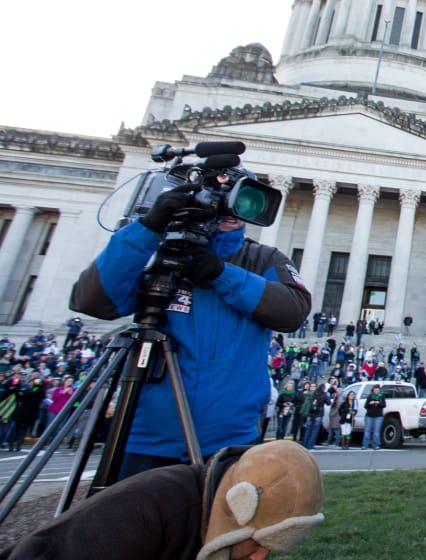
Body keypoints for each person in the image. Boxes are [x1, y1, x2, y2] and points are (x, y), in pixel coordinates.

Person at [69, 178, 309, 479]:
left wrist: (223, 274)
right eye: (221, 198)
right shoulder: (156, 250)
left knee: (222, 524)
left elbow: (293, 312)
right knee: (134, 523)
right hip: (147, 438)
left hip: (229, 439)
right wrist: (148, 228)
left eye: (242, 200)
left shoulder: (261, 259)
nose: (231, 208)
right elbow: (93, 301)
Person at [0, 440, 324, 560]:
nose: (260, 557)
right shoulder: (134, 516)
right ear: (239, 507)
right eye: (259, 542)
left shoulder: (203, 513)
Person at [362, 384, 385, 450]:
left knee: (376, 431)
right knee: (367, 431)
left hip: (378, 416)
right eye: (375, 390)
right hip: (369, 415)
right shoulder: (370, 396)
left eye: (377, 390)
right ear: (373, 390)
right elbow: (366, 406)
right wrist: (370, 403)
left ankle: (376, 445)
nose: (376, 391)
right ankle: (365, 445)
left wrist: (379, 403)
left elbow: (384, 405)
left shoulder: (381, 396)